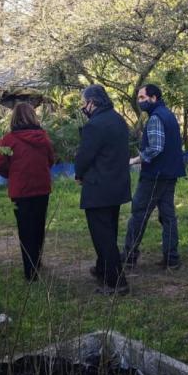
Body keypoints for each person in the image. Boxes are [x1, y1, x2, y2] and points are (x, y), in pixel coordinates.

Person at [75, 85, 132, 296]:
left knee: (103, 237)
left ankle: (116, 282)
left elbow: (85, 155)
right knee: (109, 231)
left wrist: (79, 174)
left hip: (98, 187)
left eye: (84, 102)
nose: (83, 107)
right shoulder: (118, 120)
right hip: (116, 185)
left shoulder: (95, 125)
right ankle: (102, 269)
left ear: (93, 101)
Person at [122, 84, 186, 270]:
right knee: (168, 216)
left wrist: (134, 160)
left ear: (154, 98)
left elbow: (156, 148)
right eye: (139, 98)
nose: (140, 101)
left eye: (143, 98)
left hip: (154, 175)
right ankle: (172, 258)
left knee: (138, 214)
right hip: (170, 173)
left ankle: (128, 257)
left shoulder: (156, 118)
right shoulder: (168, 114)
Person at [0, 102, 55, 282]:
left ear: (14, 118)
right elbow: (51, 160)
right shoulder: (43, 137)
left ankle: (30, 271)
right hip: (42, 188)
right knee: (38, 226)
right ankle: (37, 262)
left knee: (25, 229)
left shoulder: (9, 140)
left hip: (20, 191)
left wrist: (11, 174)